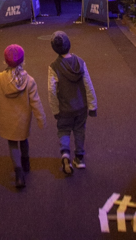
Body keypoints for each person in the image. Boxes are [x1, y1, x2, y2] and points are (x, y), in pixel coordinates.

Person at [0, 44, 46, 189]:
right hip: (23, 119)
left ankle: (18, 172)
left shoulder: (0, 78)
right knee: (23, 140)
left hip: (7, 118)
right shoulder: (29, 80)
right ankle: (26, 161)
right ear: (23, 60)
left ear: (5, 61)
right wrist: (41, 117)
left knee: (12, 143)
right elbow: (35, 101)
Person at [47, 31, 97, 175]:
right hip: (81, 107)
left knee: (63, 130)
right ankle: (79, 159)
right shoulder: (80, 62)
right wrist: (92, 105)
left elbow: (51, 90)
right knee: (79, 130)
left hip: (64, 108)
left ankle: (65, 155)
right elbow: (88, 84)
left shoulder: (53, 67)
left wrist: (55, 109)